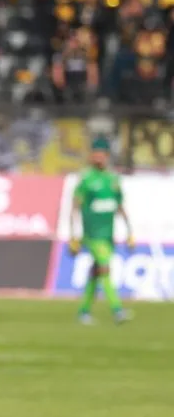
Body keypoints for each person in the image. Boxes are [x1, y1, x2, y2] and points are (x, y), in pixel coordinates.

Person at [68, 138, 133, 325]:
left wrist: (130, 232)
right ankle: (117, 310)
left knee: (95, 273)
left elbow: (120, 206)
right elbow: (74, 208)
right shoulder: (86, 179)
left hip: (108, 235)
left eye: (101, 154)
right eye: (95, 153)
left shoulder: (113, 179)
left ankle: (83, 311)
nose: (98, 157)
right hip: (93, 235)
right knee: (105, 268)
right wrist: (73, 236)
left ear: (106, 156)